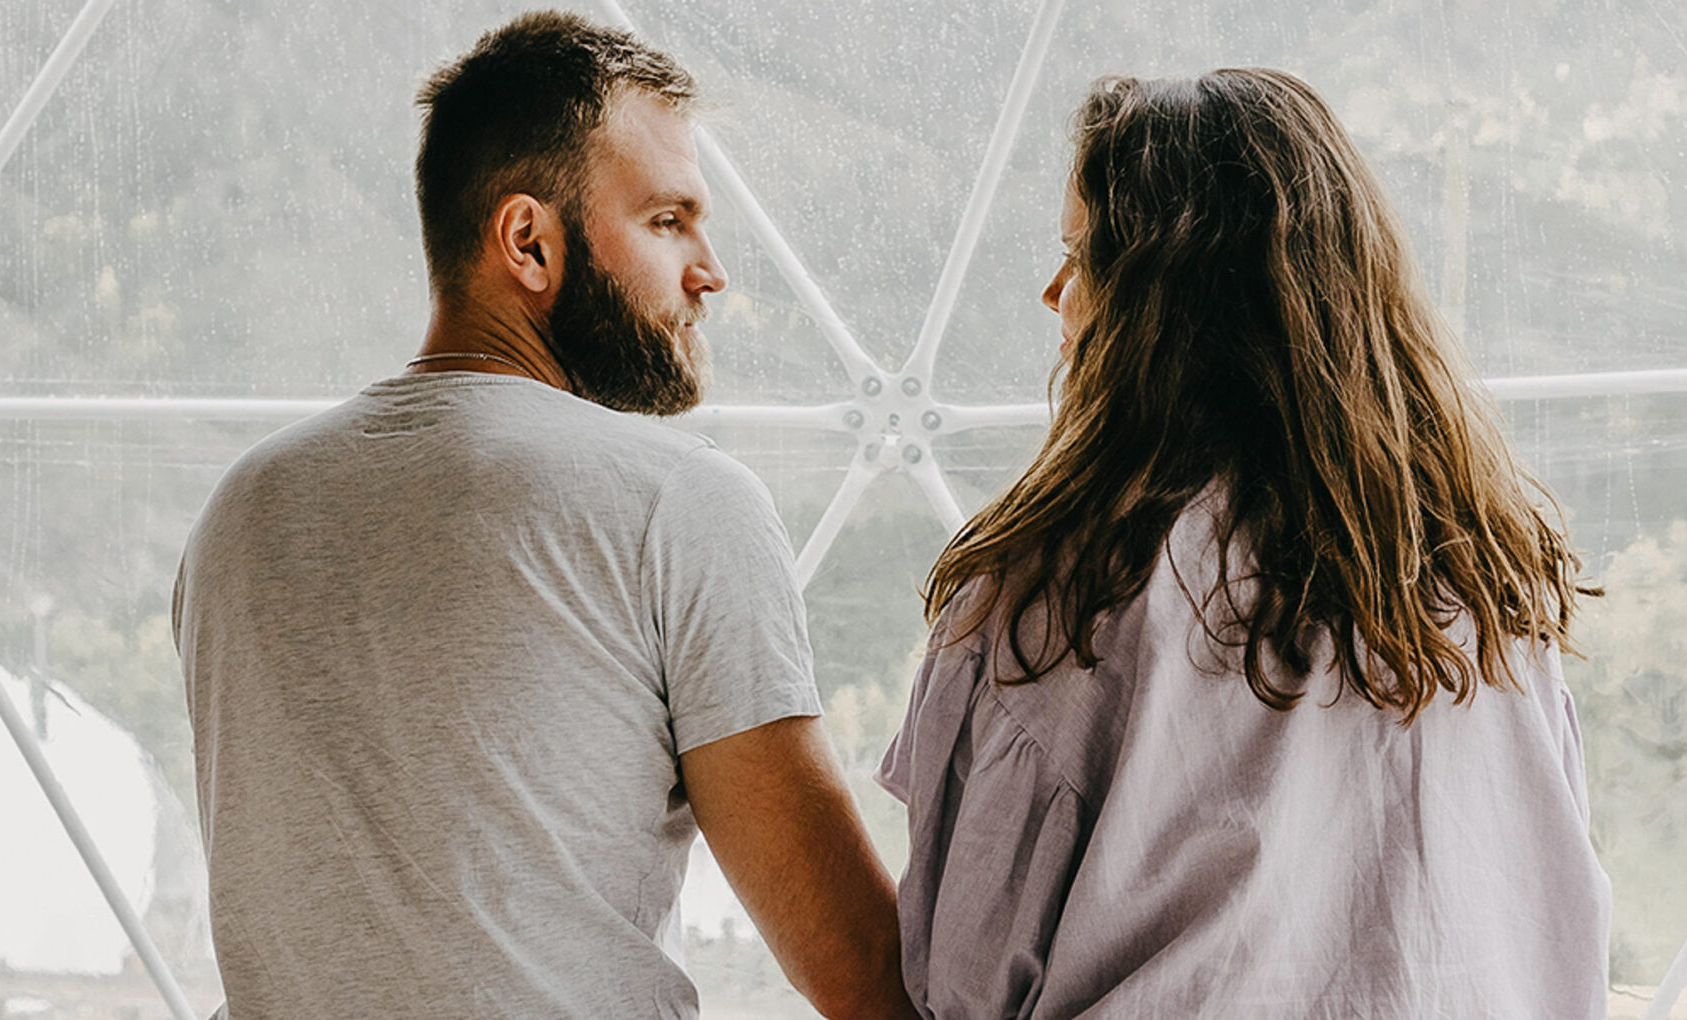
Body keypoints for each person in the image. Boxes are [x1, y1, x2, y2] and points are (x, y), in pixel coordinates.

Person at [172, 12, 913, 1019]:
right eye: (666, 221)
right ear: (528, 239)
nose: (709, 269)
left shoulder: (243, 509)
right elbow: (862, 972)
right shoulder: (677, 505)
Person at [879, 69, 1611, 1018]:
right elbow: (1561, 923)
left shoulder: (1053, 594)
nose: (1054, 293)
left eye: (1083, 255)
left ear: (1161, 302)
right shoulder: (1485, 572)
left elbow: (965, 982)